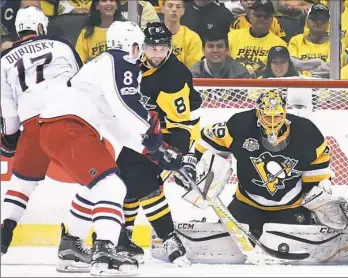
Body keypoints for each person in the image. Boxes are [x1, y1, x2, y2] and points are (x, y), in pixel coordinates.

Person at [41, 20, 182, 275]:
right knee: (113, 185)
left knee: (96, 187)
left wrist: (151, 151)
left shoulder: (102, 65)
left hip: (58, 128)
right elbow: (125, 103)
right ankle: (105, 251)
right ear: (134, 44)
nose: (140, 53)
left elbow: (113, 122)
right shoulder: (121, 60)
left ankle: (71, 247)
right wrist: (152, 134)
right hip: (69, 127)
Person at [190, 90, 348, 262]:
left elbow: (318, 166)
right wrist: (193, 164)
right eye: (268, 117)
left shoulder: (306, 132)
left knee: (296, 253)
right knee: (226, 245)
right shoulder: (240, 125)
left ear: (285, 112)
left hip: (290, 207)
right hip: (247, 202)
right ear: (258, 112)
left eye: (277, 116)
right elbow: (209, 140)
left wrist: (318, 195)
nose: (273, 122)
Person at [117, 21, 203, 266]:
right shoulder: (131, 63)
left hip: (163, 136)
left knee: (142, 182)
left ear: (170, 48)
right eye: (152, 48)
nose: (156, 53)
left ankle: (150, 236)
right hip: (129, 133)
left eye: (161, 48)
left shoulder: (174, 76)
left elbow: (181, 123)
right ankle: (129, 237)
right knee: (129, 183)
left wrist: (179, 152)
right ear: (143, 47)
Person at [1, 5, 82, 255]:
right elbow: (81, 81)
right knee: (102, 179)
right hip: (66, 120)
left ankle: (4, 236)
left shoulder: (4, 60)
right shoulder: (60, 44)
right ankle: (80, 240)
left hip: (33, 125)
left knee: (21, 185)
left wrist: (11, 139)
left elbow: (9, 111)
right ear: (40, 28)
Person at [228, 0, 287, 77]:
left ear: (272, 19)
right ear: (249, 16)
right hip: (233, 83)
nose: (262, 19)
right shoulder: (232, 37)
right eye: (258, 15)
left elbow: (278, 71)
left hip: (263, 86)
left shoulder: (279, 44)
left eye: (266, 16)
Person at [288, 4, 331, 78]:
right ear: (307, 20)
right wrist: (318, 62)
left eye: (323, 19)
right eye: (315, 18)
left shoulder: (335, 44)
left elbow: (331, 68)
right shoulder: (296, 40)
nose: (319, 22)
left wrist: (306, 72)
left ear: (328, 23)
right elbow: (290, 64)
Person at [161, 0, 203, 68]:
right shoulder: (151, 36)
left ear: (183, 11)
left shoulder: (193, 38)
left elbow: (193, 70)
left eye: (178, 7)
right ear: (162, 9)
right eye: (170, 6)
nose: (174, 9)